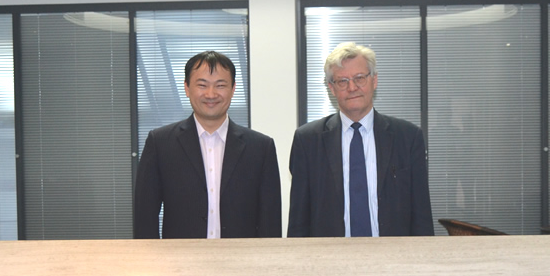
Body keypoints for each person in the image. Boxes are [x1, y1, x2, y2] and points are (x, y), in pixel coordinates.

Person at [287, 42, 433, 237]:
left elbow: (422, 216)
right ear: (332, 88)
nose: (352, 87)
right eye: (342, 81)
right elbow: (298, 221)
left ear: (374, 80)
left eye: (359, 78)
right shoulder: (307, 141)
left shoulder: (408, 138)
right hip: (329, 253)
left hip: (393, 252)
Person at [134, 50, 281, 239]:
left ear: (233, 89)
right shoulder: (160, 144)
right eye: (202, 85)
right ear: (187, 88)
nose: (211, 94)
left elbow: (270, 221)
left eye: (220, 85)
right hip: (179, 255)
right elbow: (145, 217)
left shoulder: (260, 148)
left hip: (241, 256)